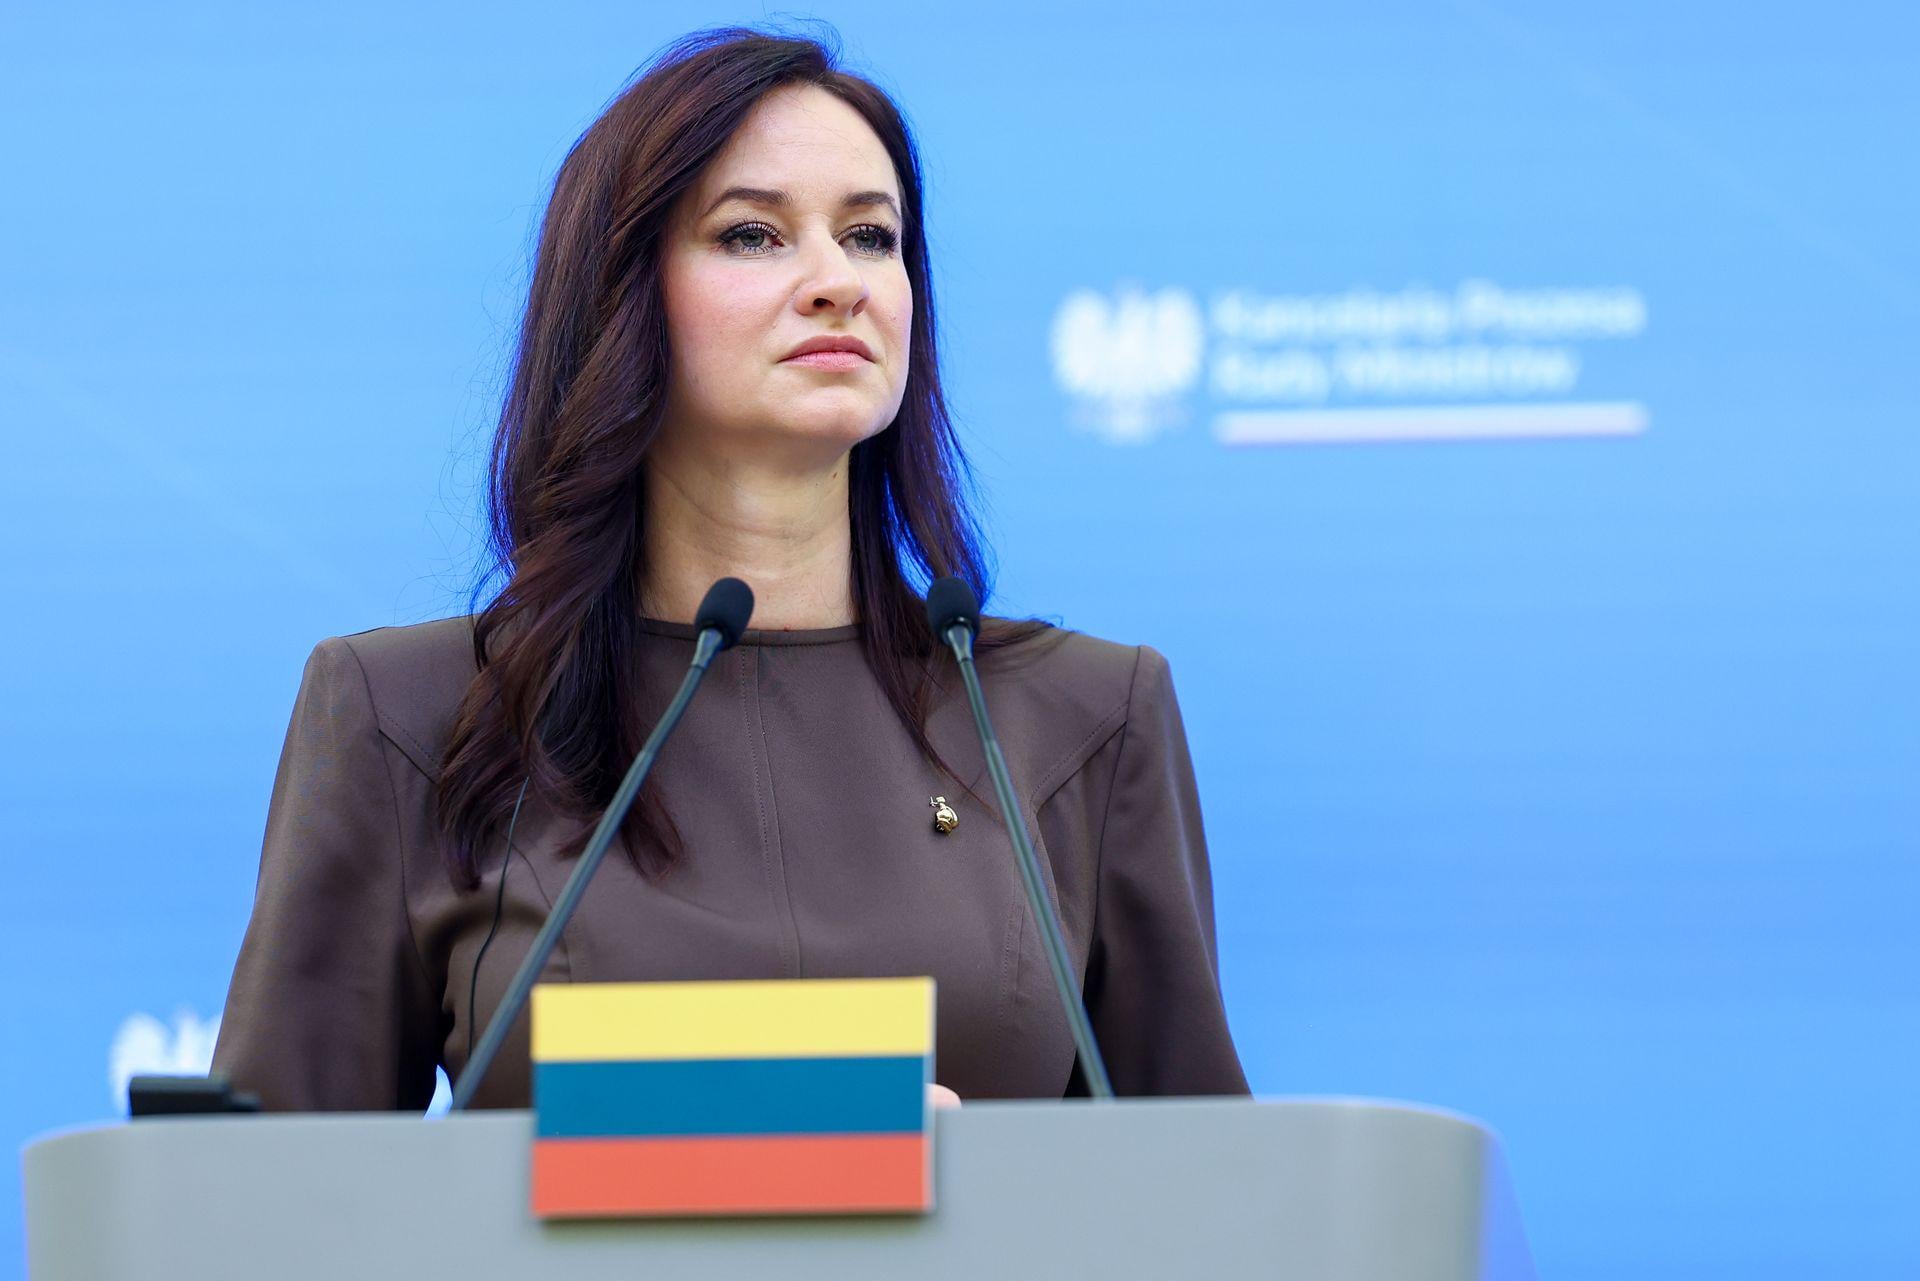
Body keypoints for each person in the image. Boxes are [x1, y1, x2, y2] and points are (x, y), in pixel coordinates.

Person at [210, 26, 1248, 1112]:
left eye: (871, 237)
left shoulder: (1083, 719)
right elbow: (271, 1188)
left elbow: (1210, 1184)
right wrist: (813, 1140)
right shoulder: (412, 717)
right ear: (621, 297)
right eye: (753, 235)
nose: (837, 281)